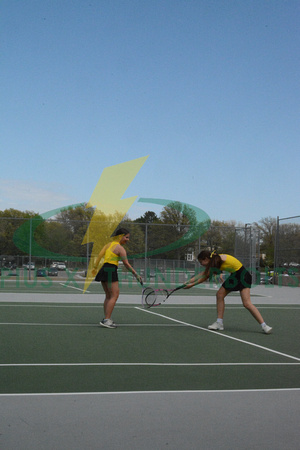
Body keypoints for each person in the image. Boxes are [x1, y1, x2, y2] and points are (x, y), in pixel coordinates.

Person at [184, 250, 272, 334]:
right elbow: (203, 274)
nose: (201, 264)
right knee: (219, 295)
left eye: (201, 262)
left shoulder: (219, 260)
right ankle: (219, 323)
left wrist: (191, 285)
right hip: (234, 276)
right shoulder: (214, 262)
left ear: (206, 259)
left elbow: (205, 276)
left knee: (247, 303)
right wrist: (188, 282)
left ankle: (264, 326)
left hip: (243, 275)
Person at [91, 228, 143, 329]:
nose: (128, 240)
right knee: (114, 295)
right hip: (111, 269)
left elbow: (100, 255)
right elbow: (126, 264)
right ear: (120, 236)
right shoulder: (120, 248)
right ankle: (107, 320)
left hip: (103, 269)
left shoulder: (108, 245)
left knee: (108, 295)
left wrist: (95, 267)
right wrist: (136, 274)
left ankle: (107, 318)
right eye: (126, 237)